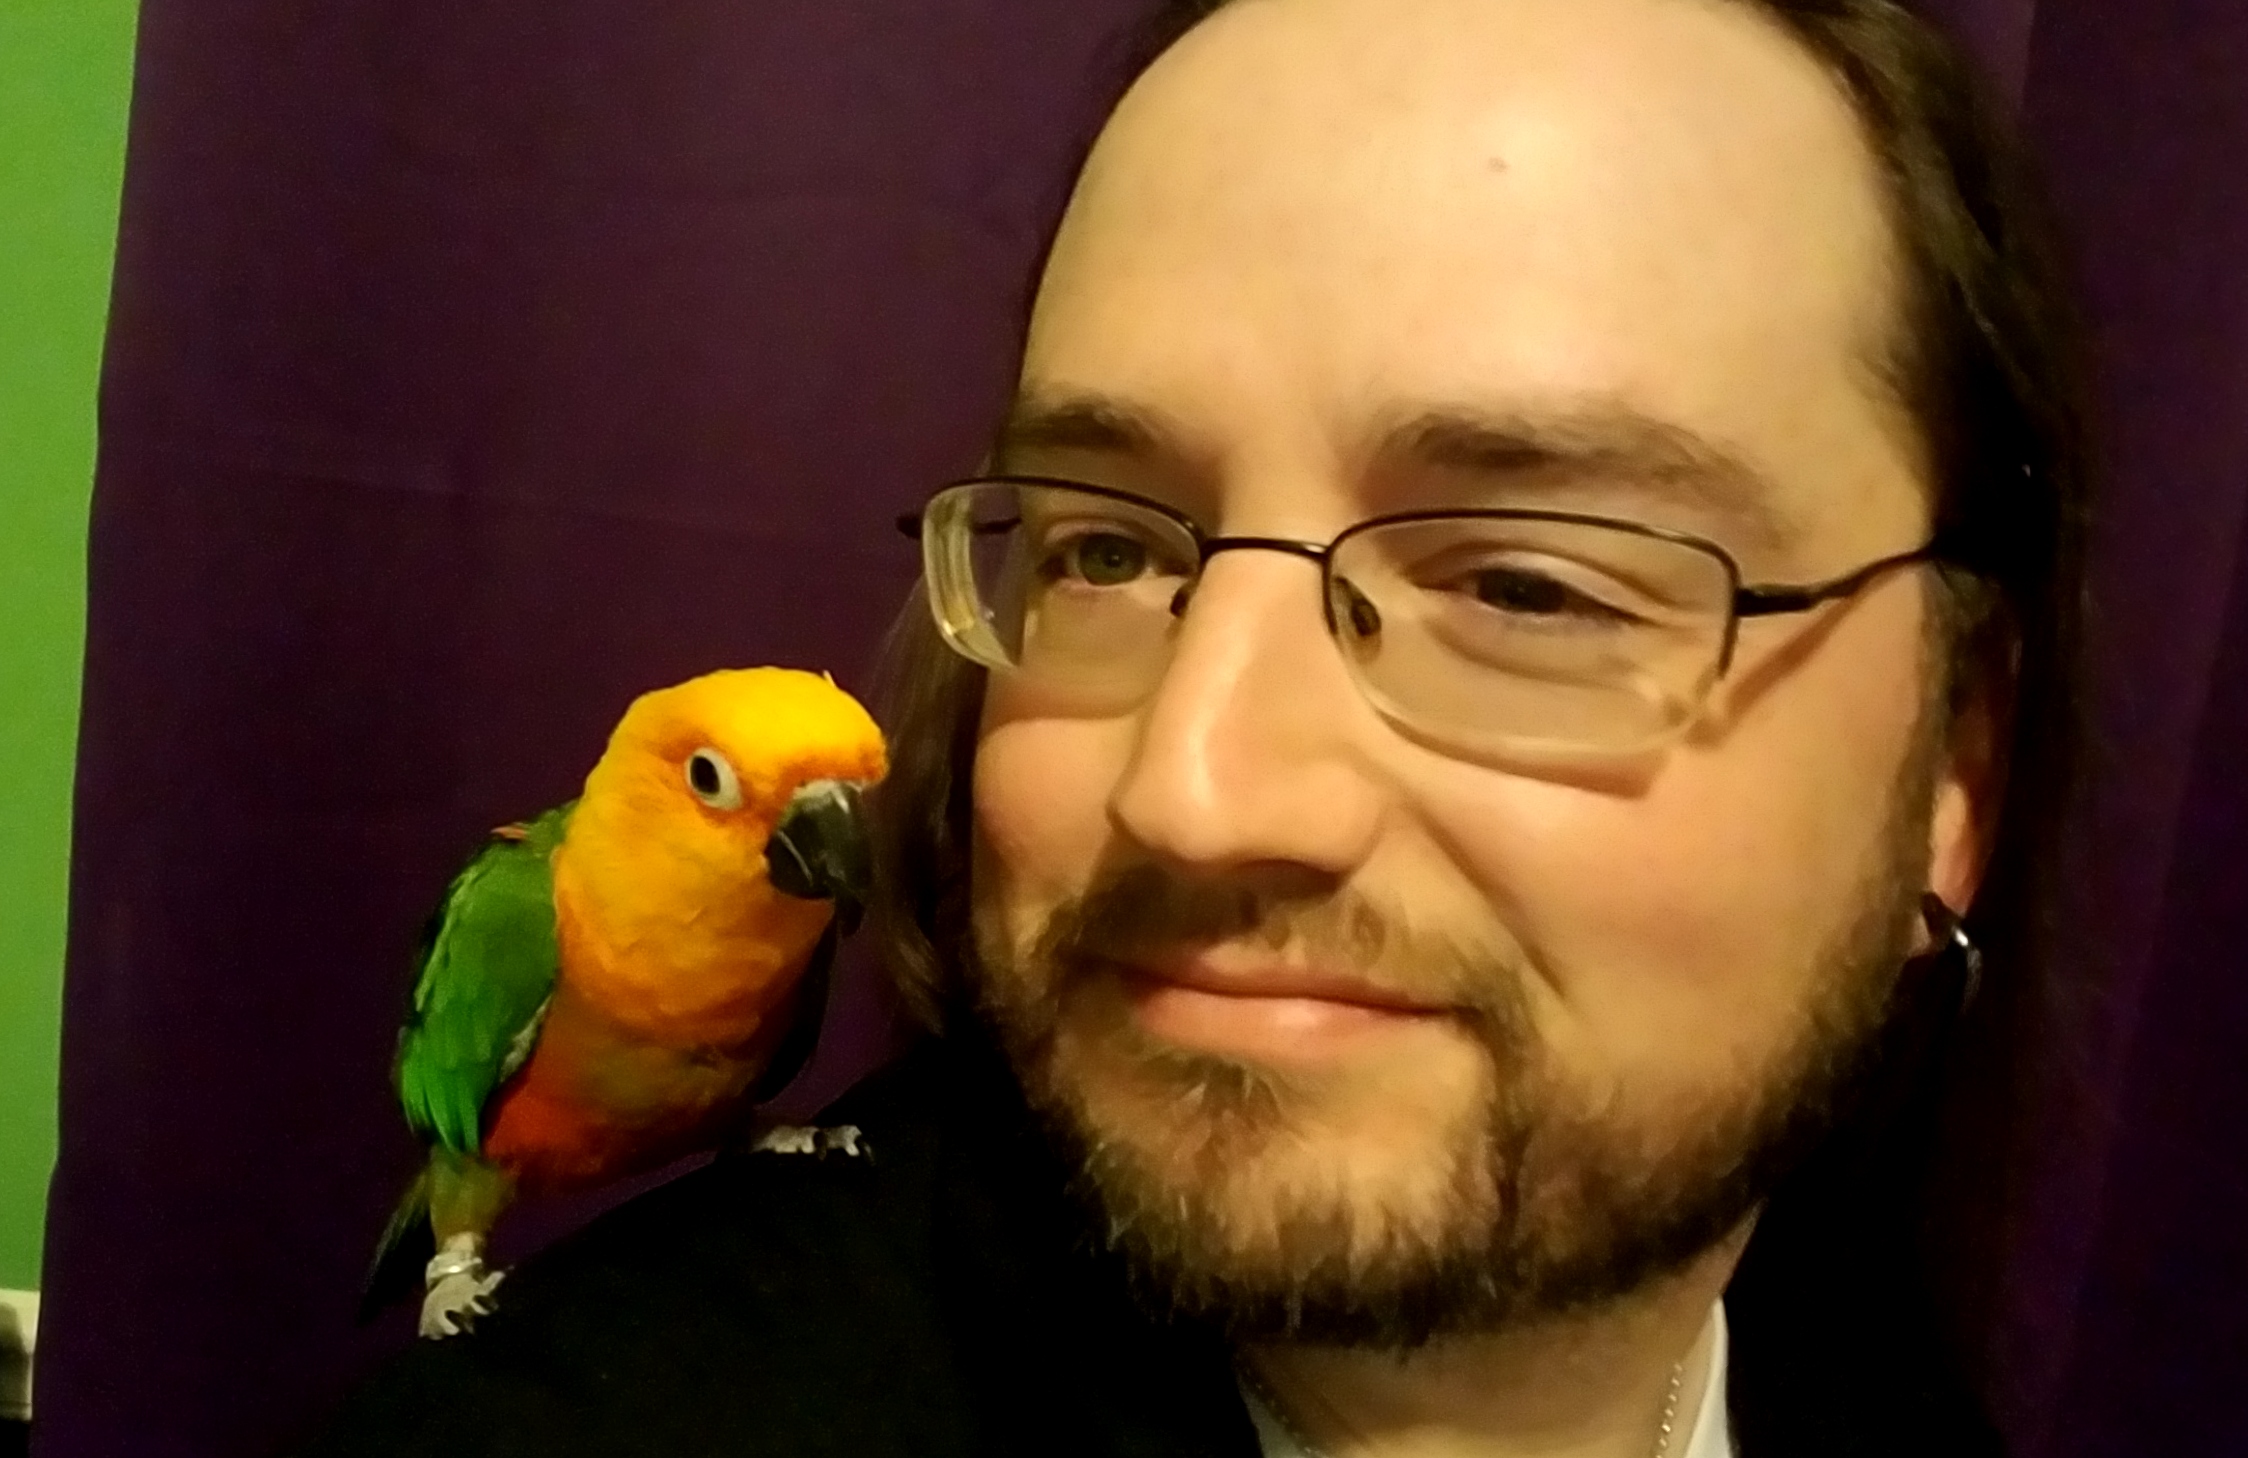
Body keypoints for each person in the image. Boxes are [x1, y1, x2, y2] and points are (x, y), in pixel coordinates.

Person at [305, 0, 2088, 1452]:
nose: (1189, 788)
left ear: (1957, 769)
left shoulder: (1875, 1379)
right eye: (1106, 551)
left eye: (1528, 585)